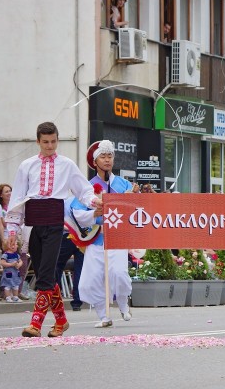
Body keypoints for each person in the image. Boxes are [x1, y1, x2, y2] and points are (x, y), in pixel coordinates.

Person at [5, 122, 103, 337]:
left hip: (55, 222)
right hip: (32, 224)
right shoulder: (26, 165)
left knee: (46, 274)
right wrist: (12, 230)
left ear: (57, 140)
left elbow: (82, 190)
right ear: (38, 141)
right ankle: (61, 320)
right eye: (45, 142)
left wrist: (94, 201)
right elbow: (18, 198)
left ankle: (35, 324)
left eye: (53, 142)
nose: (50, 146)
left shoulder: (67, 164)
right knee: (44, 274)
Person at [75, 140, 139, 328]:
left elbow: (134, 210)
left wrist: (134, 196)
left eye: (110, 156)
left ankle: (122, 303)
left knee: (119, 273)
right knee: (91, 280)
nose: (107, 160)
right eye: (103, 156)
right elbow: (77, 213)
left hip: (117, 238)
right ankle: (103, 316)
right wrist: (93, 215)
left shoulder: (123, 184)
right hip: (96, 239)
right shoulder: (87, 187)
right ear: (95, 162)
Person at [54, 198, 85, 312]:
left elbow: (59, 220)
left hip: (69, 235)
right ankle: (77, 301)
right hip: (82, 236)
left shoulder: (66, 201)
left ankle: (54, 295)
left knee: (57, 265)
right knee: (79, 269)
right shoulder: (86, 201)